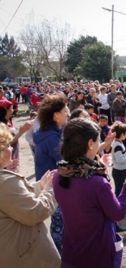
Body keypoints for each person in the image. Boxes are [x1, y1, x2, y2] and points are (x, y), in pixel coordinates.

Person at [53, 118, 126, 268]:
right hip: (97, 255)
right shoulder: (96, 182)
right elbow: (118, 213)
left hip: (71, 252)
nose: (100, 143)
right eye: (98, 140)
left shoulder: (58, 174)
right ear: (90, 143)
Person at [0, 123, 60, 268]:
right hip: (25, 257)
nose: (11, 148)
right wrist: (50, 189)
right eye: (7, 145)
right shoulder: (4, 181)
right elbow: (34, 212)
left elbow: (14, 200)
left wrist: (39, 187)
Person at [33, 94, 69, 253]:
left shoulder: (48, 133)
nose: (67, 113)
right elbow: (63, 160)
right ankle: (60, 255)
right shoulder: (51, 138)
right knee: (60, 221)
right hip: (54, 185)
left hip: (52, 183)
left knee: (59, 220)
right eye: (65, 111)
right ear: (56, 115)